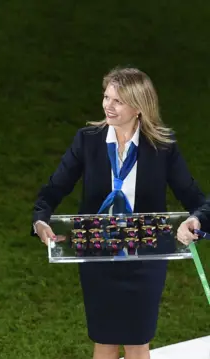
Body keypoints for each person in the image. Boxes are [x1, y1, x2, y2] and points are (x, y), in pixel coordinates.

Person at [31, 66, 205, 359]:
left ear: (138, 107)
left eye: (117, 101)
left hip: (145, 259)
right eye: (106, 97)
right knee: (104, 340)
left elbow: (196, 200)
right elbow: (54, 188)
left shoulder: (162, 147)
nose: (106, 106)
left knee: (138, 342)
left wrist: (194, 220)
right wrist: (40, 219)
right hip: (98, 256)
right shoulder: (88, 140)